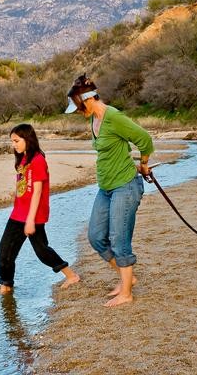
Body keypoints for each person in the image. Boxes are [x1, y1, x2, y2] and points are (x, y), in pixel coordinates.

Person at [65, 74, 154, 307]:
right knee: (96, 237)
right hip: (106, 188)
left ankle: (126, 293)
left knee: (118, 238)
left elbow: (144, 139)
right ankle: (128, 278)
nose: (76, 112)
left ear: (87, 99)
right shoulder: (94, 119)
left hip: (125, 185)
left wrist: (143, 165)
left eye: (77, 107)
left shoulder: (114, 116)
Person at [0, 123, 80, 294]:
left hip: (32, 215)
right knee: (5, 250)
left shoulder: (38, 160)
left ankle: (71, 276)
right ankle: (6, 285)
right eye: (12, 142)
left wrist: (30, 221)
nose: (14, 145)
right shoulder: (23, 159)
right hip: (18, 213)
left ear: (27, 139)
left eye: (16, 141)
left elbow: (37, 193)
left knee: (42, 250)